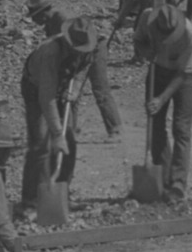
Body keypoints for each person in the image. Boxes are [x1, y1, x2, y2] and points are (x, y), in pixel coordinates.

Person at [18, 18, 121, 209]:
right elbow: (46, 97)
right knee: (40, 144)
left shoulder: (93, 45)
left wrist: (74, 89)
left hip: (64, 85)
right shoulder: (50, 52)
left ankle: (61, 194)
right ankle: (31, 201)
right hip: (36, 88)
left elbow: (85, 67)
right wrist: (57, 134)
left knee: (70, 142)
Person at [136, 1, 192, 201]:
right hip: (158, 70)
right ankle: (162, 179)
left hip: (185, 77)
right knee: (155, 125)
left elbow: (182, 73)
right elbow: (138, 41)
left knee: (181, 129)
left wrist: (161, 99)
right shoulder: (147, 17)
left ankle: (178, 183)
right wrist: (146, 51)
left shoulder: (188, 33)